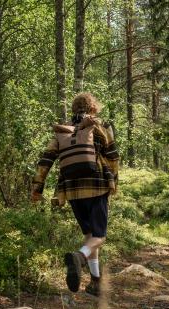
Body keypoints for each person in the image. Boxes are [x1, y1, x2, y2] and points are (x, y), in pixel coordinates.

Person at [31, 93, 119, 296]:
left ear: (74, 109)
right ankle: (79, 258)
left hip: (71, 188)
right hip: (97, 185)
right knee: (99, 236)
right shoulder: (101, 126)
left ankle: (96, 283)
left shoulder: (63, 129)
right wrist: (113, 181)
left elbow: (46, 159)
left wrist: (37, 187)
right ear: (94, 108)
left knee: (89, 235)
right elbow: (113, 156)